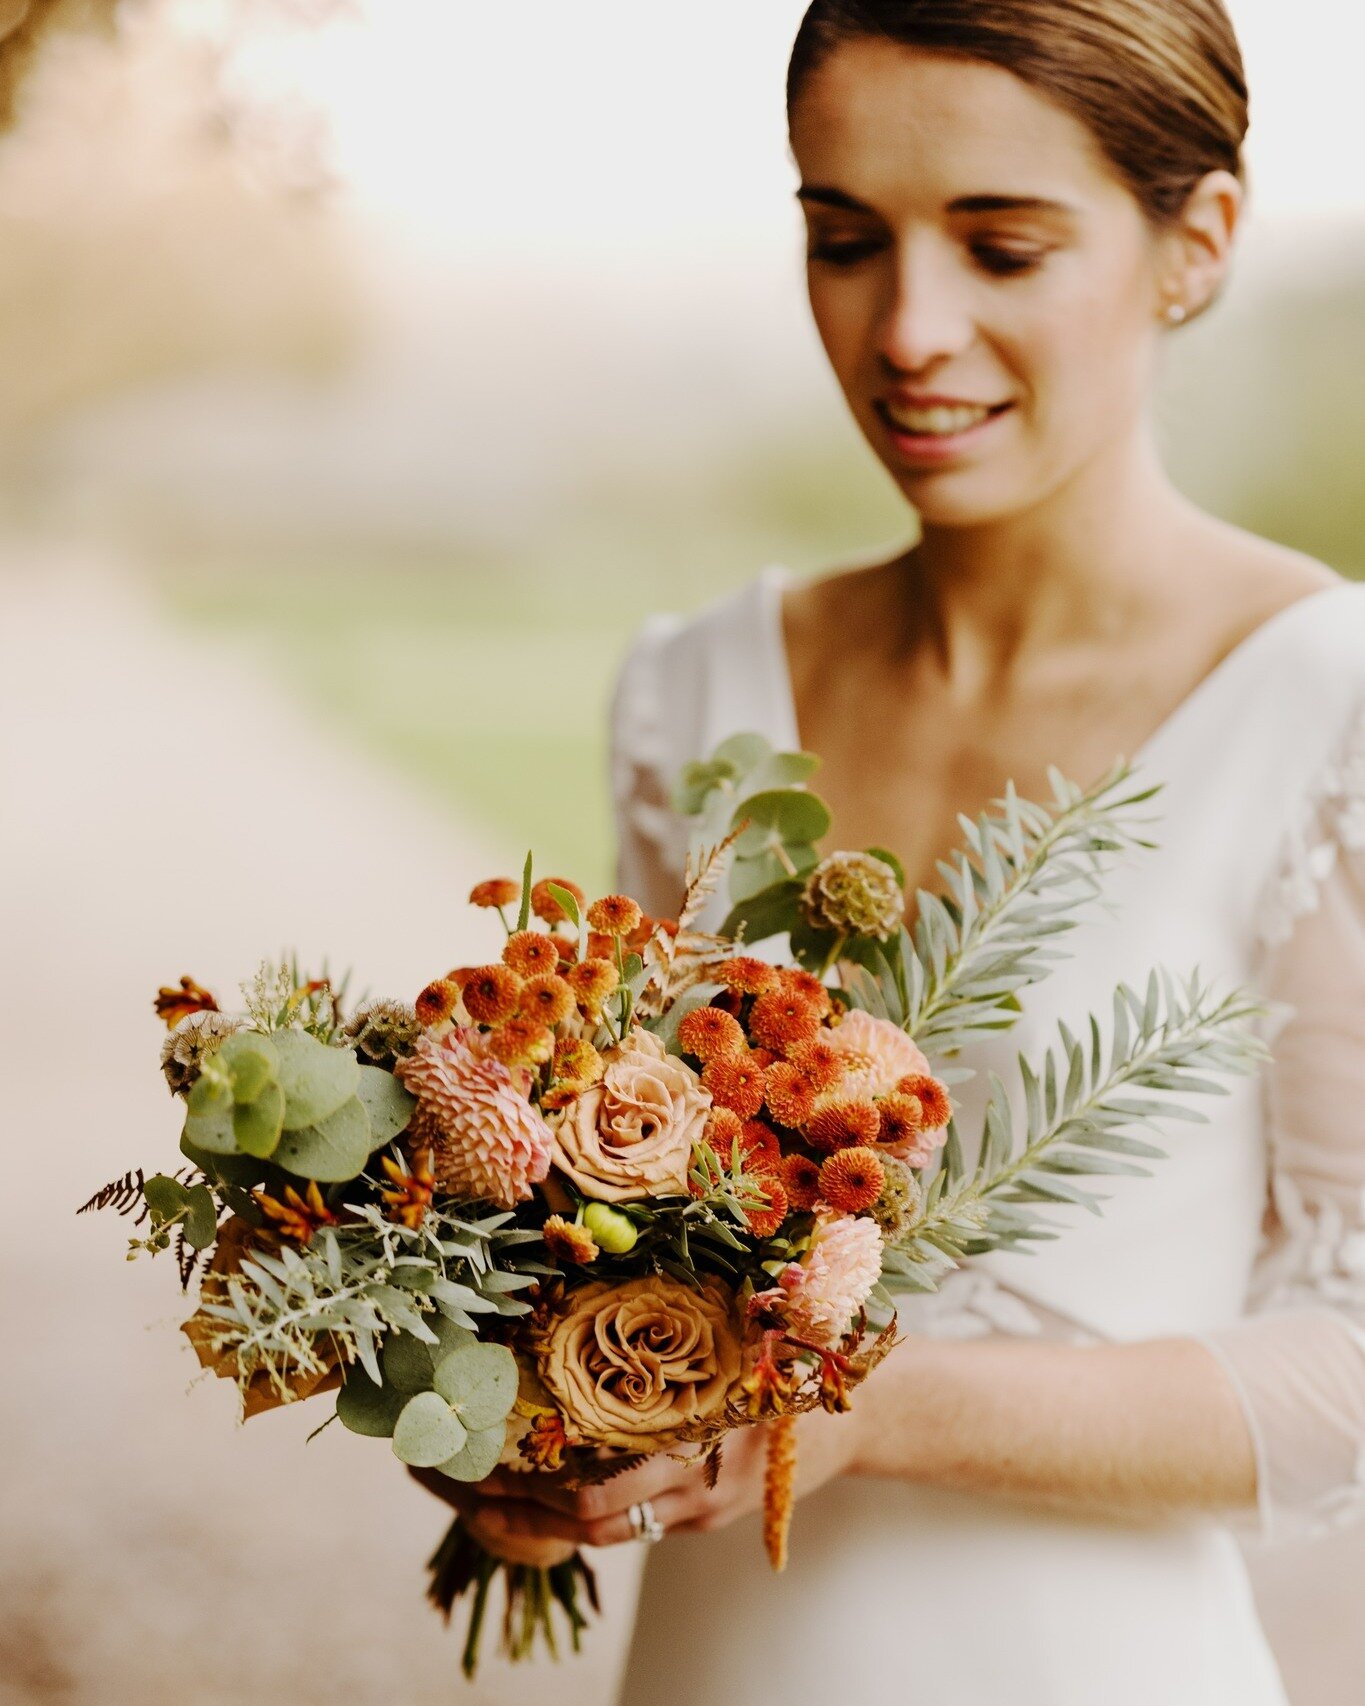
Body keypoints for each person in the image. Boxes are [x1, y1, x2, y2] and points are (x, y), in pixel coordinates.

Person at [415, 3, 1365, 1699]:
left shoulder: (1328, 703)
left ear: (1194, 241)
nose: (908, 329)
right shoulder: (693, 690)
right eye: (843, 238)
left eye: (1000, 246)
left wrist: (863, 1404)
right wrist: (503, 1410)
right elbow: (593, 1222)